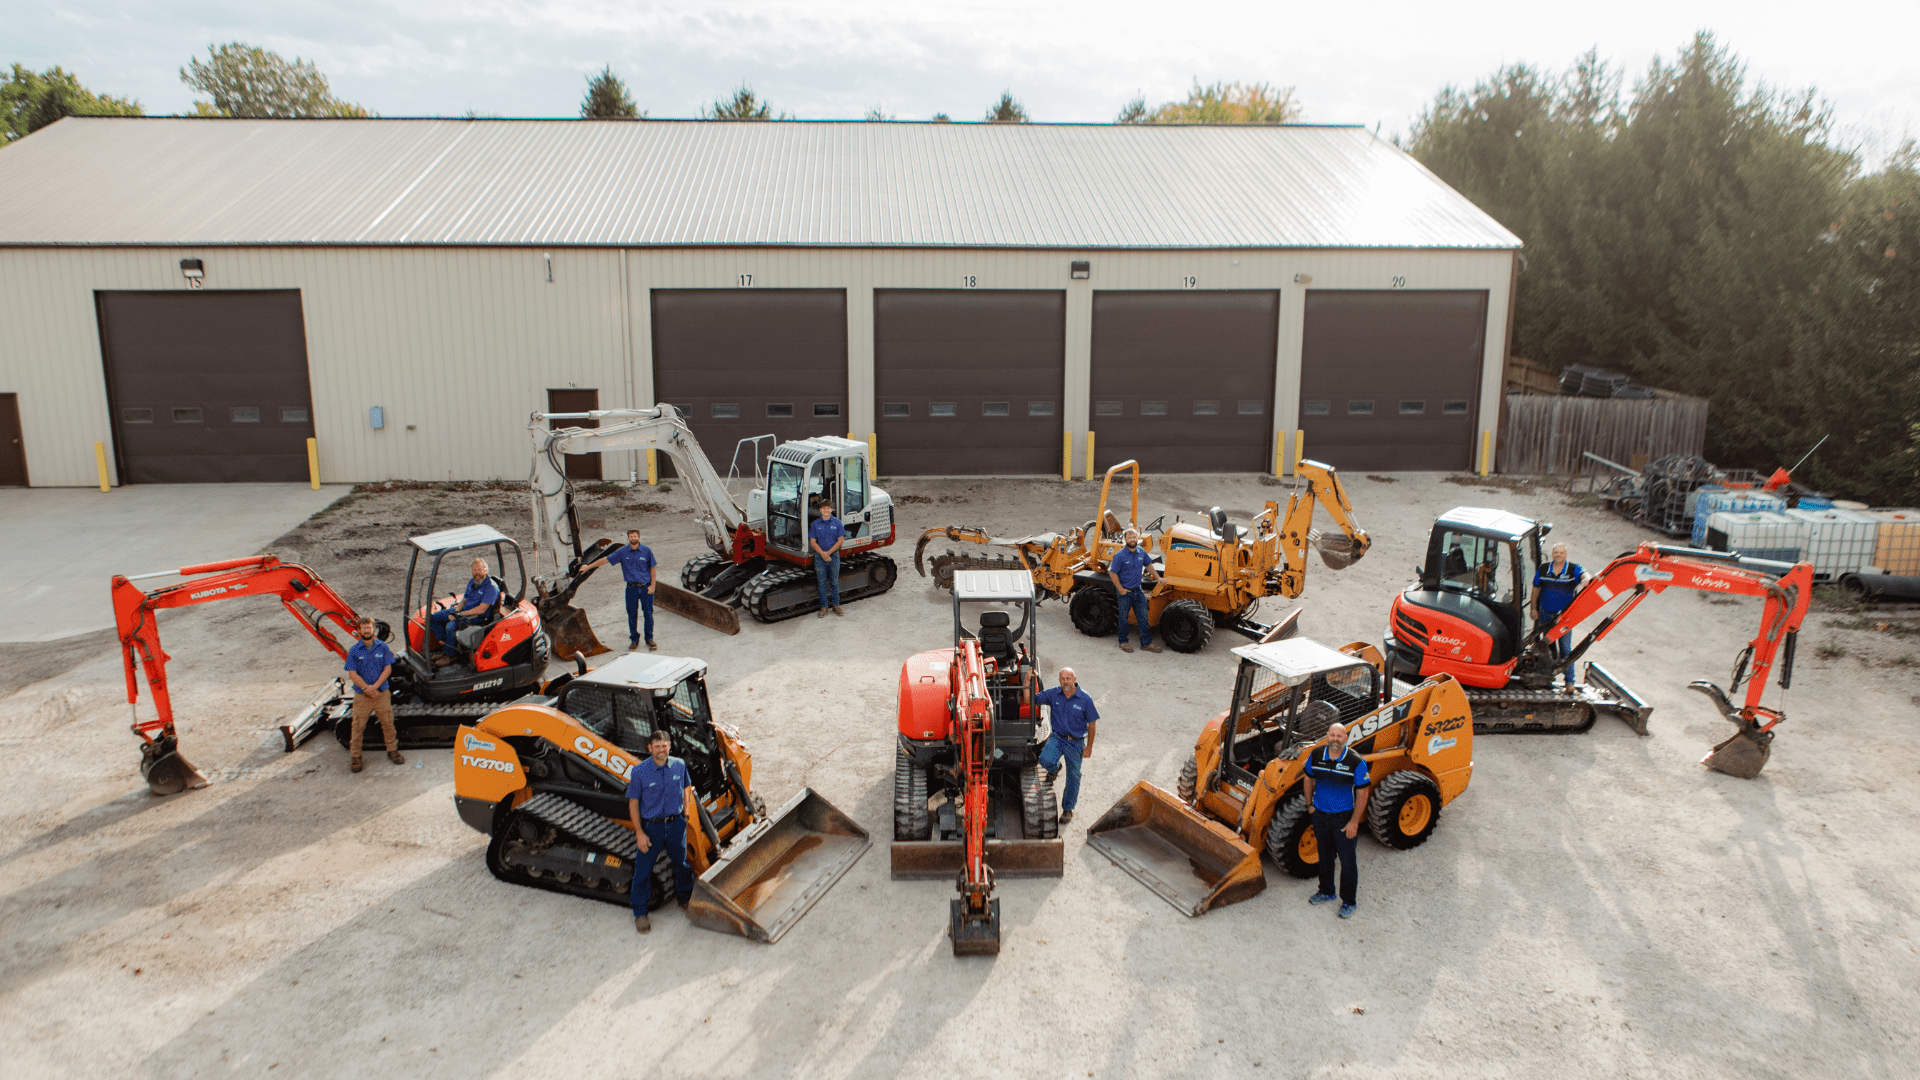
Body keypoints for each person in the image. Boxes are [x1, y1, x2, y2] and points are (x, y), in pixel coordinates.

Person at [626, 729, 694, 934]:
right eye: (657, 746)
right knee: (643, 870)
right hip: (652, 828)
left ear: (669, 746)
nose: (661, 750)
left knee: (681, 864)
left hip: (675, 824)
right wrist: (639, 832)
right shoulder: (639, 772)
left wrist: (686, 815)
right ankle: (640, 912)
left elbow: (687, 789)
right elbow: (633, 803)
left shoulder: (679, 765)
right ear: (650, 748)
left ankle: (684, 899)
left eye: (664, 746)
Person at [1303, 721, 1370, 919]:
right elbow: (1308, 778)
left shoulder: (1356, 762)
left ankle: (1349, 901)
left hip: (1344, 818)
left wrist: (1354, 821)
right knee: (1324, 856)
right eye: (1332, 735)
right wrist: (1310, 806)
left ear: (1346, 739)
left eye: (1340, 736)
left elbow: (1363, 793)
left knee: (1348, 862)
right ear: (1327, 736)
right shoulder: (1316, 755)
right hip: (1320, 815)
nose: (1335, 739)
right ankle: (1326, 891)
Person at [1035, 668, 1099, 826]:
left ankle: (1068, 809)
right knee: (1044, 760)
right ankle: (1055, 768)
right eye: (1062, 678)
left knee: (1074, 776)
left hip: (1076, 742)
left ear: (1074, 678)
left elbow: (1092, 724)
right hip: (1057, 738)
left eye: (1068, 678)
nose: (1065, 681)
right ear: (1059, 679)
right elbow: (1032, 699)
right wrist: (1027, 679)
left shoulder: (1085, 698)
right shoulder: (1053, 693)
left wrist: (1089, 747)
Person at [343, 615, 404, 773]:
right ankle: (356, 756)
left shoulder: (382, 647)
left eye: (369, 627)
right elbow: (352, 674)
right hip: (363, 696)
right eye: (364, 628)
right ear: (359, 630)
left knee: (388, 723)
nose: (367, 630)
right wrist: (367, 689)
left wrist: (375, 687)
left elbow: (388, 669)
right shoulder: (354, 650)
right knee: (357, 726)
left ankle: (392, 750)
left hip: (381, 694)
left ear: (374, 629)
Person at [583, 529, 658, 652]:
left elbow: (653, 570)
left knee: (648, 614)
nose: (633, 538)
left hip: (646, 588)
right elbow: (605, 560)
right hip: (631, 589)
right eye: (631, 537)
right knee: (632, 615)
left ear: (639, 537)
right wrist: (588, 567)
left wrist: (652, 586)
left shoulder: (647, 551)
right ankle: (634, 640)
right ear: (628, 538)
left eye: (635, 536)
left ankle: (649, 638)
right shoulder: (622, 552)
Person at [430, 558, 500, 666]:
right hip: (464, 611)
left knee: (450, 626)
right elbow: (464, 600)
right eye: (474, 570)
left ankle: (450, 656)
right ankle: (446, 648)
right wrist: (456, 611)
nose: (477, 572)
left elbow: (482, 609)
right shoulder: (473, 582)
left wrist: (459, 614)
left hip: (476, 616)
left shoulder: (491, 587)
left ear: (486, 570)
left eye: (480, 569)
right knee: (434, 618)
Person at [1530, 542, 1586, 665]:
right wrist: (1533, 608)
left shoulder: (1573, 569)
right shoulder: (1544, 569)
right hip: (1546, 614)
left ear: (1565, 554)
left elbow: (1584, 574)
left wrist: (1586, 579)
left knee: (1565, 649)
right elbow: (1535, 589)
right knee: (1548, 647)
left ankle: (1569, 681)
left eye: (1561, 552)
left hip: (1564, 618)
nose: (1558, 555)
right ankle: (1549, 676)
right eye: (1556, 552)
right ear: (1552, 554)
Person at [1108, 528, 1161, 654]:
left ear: (1138, 539)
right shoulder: (1119, 555)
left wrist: (1158, 578)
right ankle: (1123, 642)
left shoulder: (1141, 552)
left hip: (1138, 590)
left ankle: (1146, 643)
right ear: (1125, 539)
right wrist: (1120, 589)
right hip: (1125, 593)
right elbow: (1112, 573)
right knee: (1123, 618)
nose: (1132, 540)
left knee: (1143, 618)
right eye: (1129, 537)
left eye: (1134, 537)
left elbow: (1148, 565)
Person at [809, 500, 846, 618]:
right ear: (820, 510)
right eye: (824, 508)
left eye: (828, 508)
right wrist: (822, 554)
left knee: (834, 582)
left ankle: (836, 605)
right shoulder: (815, 524)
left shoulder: (838, 523)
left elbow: (840, 540)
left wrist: (828, 553)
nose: (826, 510)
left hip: (834, 557)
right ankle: (824, 607)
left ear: (831, 510)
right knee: (821, 583)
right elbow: (812, 542)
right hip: (820, 558)